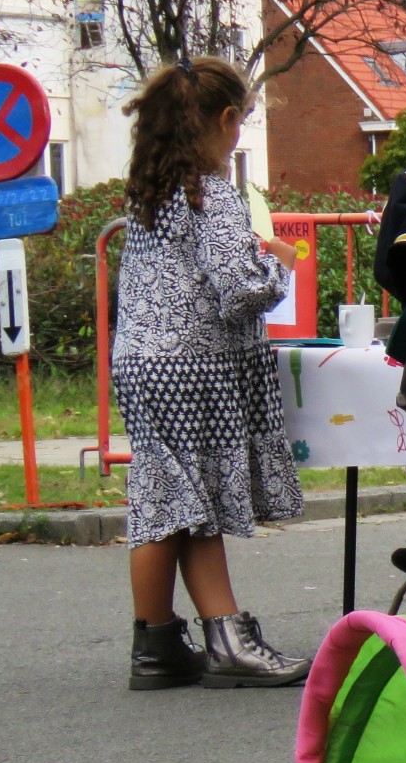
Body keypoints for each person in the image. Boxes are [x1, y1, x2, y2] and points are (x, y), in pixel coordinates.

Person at [114, 57, 309, 689]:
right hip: (194, 363)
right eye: (242, 122)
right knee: (192, 504)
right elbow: (239, 290)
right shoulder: (212, 192)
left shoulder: (150, 190)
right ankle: (227, 638)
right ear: (225, 121)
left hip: (141, 360)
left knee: (162, 497)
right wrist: (278, 264)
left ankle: (158, 646)